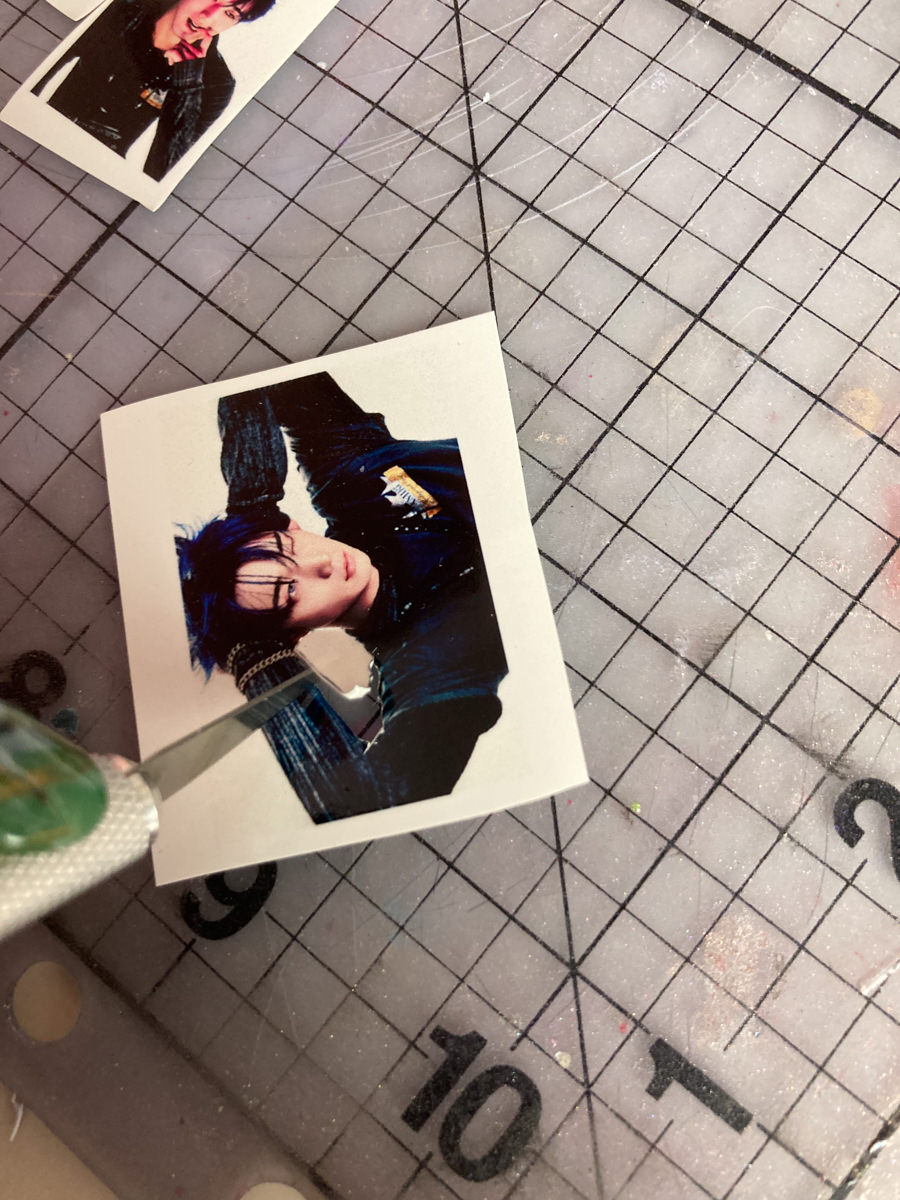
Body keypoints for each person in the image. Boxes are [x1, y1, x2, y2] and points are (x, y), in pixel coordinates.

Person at [175, 372, 508, 824]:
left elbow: (256, 381)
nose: (322, 565)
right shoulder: (422, 665)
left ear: (288, 526)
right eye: (290, 592)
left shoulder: (349, 479)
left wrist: (254, 502)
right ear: (293, 635)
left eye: (286, 549)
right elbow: (364, 804)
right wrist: (257, 659)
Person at [32, 0, 276, 180]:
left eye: (229, 13)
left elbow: (161, 171)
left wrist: (187, 80)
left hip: (92, 172)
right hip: (36, 128)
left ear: (236, 23)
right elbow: (39, 64)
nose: (208, 15)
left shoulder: (216, 83)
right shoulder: (121, 10)